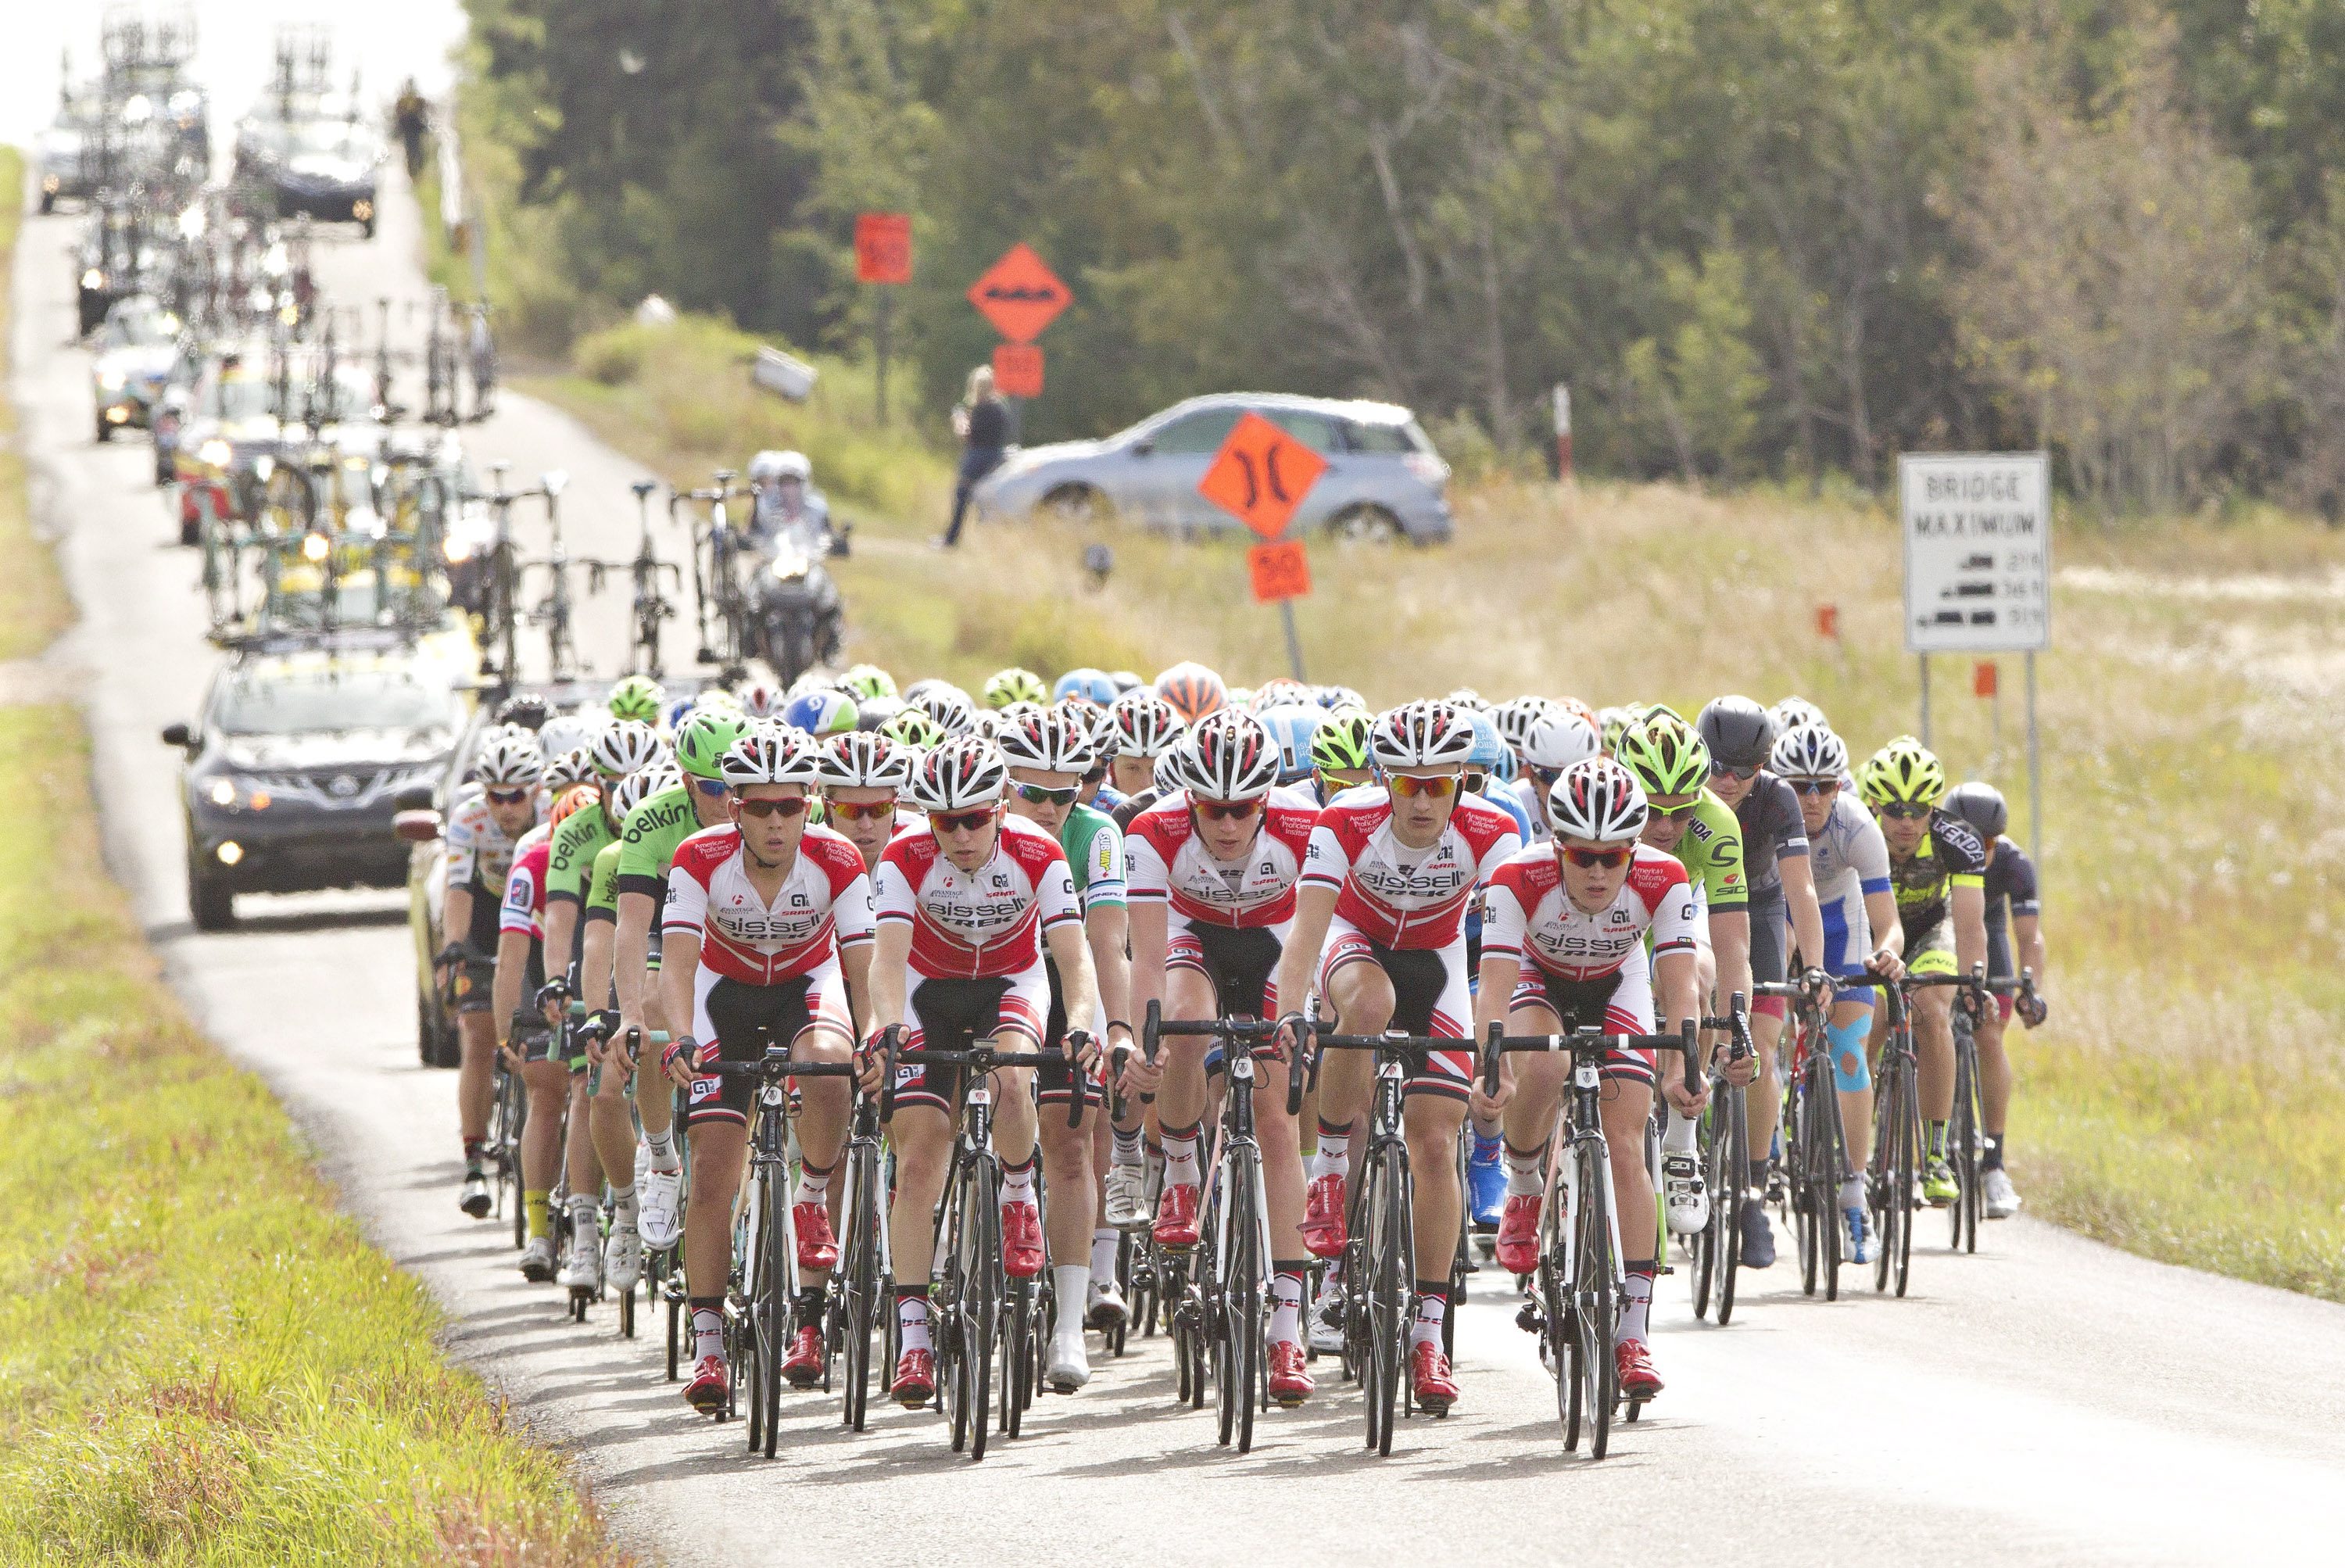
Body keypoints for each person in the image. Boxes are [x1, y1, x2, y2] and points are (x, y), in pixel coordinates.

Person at [1270, 700, 1522, 1416]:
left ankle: (1428, 1336)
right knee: (1371, 1005)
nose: (1420, 799)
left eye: (1437, 784)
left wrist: (1493, 1047)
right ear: (1384, 780)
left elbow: (1506, 951)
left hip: (1437, 961)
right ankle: (1331, 1167)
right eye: (1406, 784)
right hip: (1354, 947)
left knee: (1436, 1144)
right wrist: (1292, 1010)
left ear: (1461, 785)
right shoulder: (1345, 820)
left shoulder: (1493, 832)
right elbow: (1304, 932)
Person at [860, 737, 1106, 1409]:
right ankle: (912, 1337)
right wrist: (887, 1028)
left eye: (974, 818)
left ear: (1000, 808)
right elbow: (886, 963)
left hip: (1012, 982)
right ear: (928, 819)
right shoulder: (903, 858)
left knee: (1013, 1075)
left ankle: (1020, 1193)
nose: (962, 835)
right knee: (917, 1160)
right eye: (946, 821)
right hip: (928, 988)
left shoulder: (1039, 852)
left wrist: (1082, 1019)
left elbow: (1073, 958)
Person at [1476, 755, 1705, 1401]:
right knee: (1542, 1065)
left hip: (1617, 982)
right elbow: (1493, 994)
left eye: (1613, 856)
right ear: (1558, 846)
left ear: (1635, 849)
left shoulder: (1665, 877)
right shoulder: (1517, 878)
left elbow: (1680, 988)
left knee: (1627, 1141)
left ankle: (1633, 1332)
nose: (1599, 871)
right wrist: (1491, 1070)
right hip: (1537, 978)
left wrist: (1685, 1068)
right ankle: (1523, 1186)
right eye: (1583, 857)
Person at [661, 730, 872, 1413]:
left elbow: (863, 966)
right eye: (760, 808)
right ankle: (709, 1344)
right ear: (735, 810)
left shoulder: (837, 858)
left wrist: (873, 1039)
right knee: (715, 1168)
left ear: (809, 805)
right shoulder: (698, 859)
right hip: (722, 995)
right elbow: (679, 962)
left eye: (789, 806)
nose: (776, 822)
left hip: (806, 988)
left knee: (829, 1062)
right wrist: (682, 1039)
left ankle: (811, 1229)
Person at [1126, 711, 1320, 1403]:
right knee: (1182, 1019)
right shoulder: (1154, 834)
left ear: (1266, 801)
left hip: (1275, 950)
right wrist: (1141, 1040)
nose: (1229, 825)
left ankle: (1289, 1332)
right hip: (1194, 942)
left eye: (1242, 810)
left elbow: (1311, 941)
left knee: (1274, 1122)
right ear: (1190, 801)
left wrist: (1298, 1014)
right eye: (1213, 810)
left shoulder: (1305, 828)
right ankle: (1180, 1169)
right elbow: (1146, 958)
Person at [997, 705, 1143, 1387]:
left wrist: (1118, 1031)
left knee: (1072, 1144)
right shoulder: (970, 830)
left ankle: (1066, 1325)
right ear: (1004, 786)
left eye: (1067, 792)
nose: (1054, 808)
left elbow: (1108, 944)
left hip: (1065, 973)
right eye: (1035, 794)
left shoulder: (1098, 835)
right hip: (984, 973)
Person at [1696, 695, 1828, 1269]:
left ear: (1763, 768)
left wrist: (1815, 967)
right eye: (1717, 768)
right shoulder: (1685, 794)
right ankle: (1686, 1130)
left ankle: (1751, 1191)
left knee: (1763, 1045)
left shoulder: (1777, 799)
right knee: (1692, 1012)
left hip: (1760, 906)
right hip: (1696, 903)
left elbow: (1801, 890)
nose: (1727, 782)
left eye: (1742, 771)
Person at [1773, 723, 1905, 1263]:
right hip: (1778, 912)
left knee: (1851, 1053)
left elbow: (1888, 922)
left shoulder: (1856, 824)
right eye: (1798, 785)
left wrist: (1889, 953)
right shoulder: (1764, 818)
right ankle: (1774, 1103)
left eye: (1823, 786)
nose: (1810, 798)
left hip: (1841, 920)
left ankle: (1855, 1191)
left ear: (1839, 787)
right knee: (1763, 1013)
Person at [1860, 736, 1990, 1208]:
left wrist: (1975, 979)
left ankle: (1935, 1155)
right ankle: (1855, 1142)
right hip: (1872, 932)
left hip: (1933, 928)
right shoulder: (1857, 831)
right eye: (1894, 810)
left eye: (1919, 809)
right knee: (1867, 1025)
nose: (1907, 822)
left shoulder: (1959, 840)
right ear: (1874, 804)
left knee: (1935, 1012)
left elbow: (1972, 923)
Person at [441, 727, 547, 1219]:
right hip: (486, 916)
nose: (506, 808)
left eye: (516, 796)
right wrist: (455, 949)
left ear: (538, 792)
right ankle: (474, 1162)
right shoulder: (468, 820)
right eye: (495, 797)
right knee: (478, 1037)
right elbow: (459, 890)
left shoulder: (552, 819)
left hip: (543, 917)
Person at [1942, 780, 2048, 1219]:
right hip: (1943, 929)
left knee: (1989, 1038)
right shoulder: (1936, 852)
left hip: (1991, 936)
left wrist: (2030, 989)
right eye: (1968, 839)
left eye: (1986, 842)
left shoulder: (2014, 863)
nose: (1977, 850)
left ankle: (1995, 1163)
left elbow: (2030, 937)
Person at [939, 366, 1011, 549]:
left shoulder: (983, 409)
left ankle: (951, 539)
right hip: (996, 456)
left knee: (962, 496)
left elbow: (965, 434)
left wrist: (958, 419)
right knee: (985, 500)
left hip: (978, 457)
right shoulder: (1000, 409)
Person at [746, 449, 834, 553]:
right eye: (784, 482)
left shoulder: (817, 508)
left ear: (804, 483)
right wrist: (747, 541)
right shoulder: (766, 507)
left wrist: (836, 543)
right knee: (760, 569)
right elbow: (754, 535)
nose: (789, 488)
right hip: (774, 562)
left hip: (810, 563)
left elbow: (829, 536)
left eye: (794, 482)